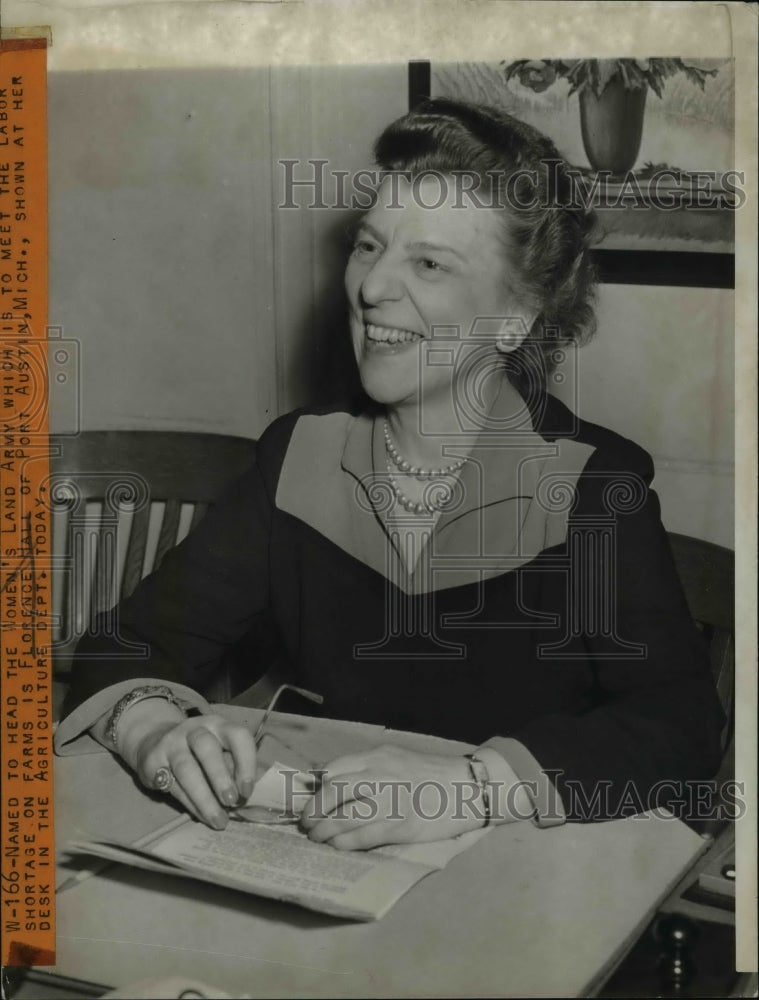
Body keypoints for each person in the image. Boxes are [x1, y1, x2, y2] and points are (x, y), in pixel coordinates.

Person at [54, 98, 725, 847]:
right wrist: (153, 729)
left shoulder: (590, 486)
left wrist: (469, 788)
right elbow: (133, 643)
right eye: (369, 245)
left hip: (515, 873)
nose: (372, 287)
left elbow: (680, 728)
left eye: (429, 263)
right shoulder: (298, 455)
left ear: (516, 317)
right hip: (319, 862)